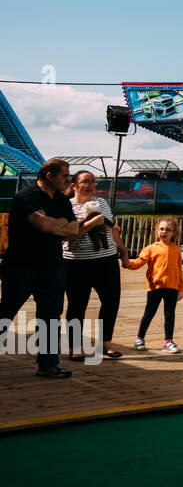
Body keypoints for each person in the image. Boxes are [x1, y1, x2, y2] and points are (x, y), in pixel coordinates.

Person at [0, 159, 103, 377]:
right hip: (21, 266)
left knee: (50, 317)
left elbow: (74, 229)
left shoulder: (60, 200)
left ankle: (48, 364)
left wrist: (56, 225)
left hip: (53, 266)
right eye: (65, 176)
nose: (68, 180)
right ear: (49, 175)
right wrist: (58, 226)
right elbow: (42, 224)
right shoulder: (25, 197)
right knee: (6, 312)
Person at [63, 171, 125, 360]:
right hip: (76, 262)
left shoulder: (101, 203)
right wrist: (93, 221)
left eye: (93, 182)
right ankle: (75, 347)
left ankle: (105, 343)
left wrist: (124, 251)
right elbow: (68, 233)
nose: (90, 185)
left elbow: (110, 229)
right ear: (74, 185)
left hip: (106, 260)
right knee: (76, 305)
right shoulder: (66, 206)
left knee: (111, 301)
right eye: (85, 182)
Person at [124, 218, 183, 353]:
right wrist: (127, 263)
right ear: (157, 231)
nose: (164, 232)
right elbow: (139, 262)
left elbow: (179, 269)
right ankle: (139, 338)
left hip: (172, 287)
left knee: (169, 314)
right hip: (155, 288)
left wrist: (181, 288)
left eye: (168, 230)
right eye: (161, 229)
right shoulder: (151, 248)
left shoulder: (176, 250)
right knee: (149, 313)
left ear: (174, 233)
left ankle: (168, 341)